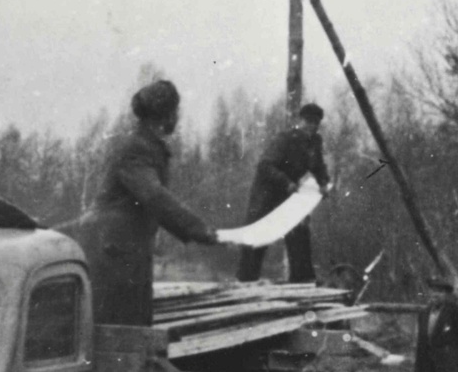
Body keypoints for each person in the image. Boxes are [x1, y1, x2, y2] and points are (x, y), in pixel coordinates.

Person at [62, 79, 219, 325]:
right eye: (175, 111)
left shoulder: (145, 146)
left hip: (124, 247)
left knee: (129, 326)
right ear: (165, 114)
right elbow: (155, 197)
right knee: (118, 329)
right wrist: (200, 230)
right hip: (112, 249)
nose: (177, 117)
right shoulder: (137, 148)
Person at [236, 103, 331, 284]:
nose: (312, 127)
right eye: (308, 122)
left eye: (316, 123)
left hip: (287, 193)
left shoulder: (314, 142)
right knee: (258, 237)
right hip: (267, 192)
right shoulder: (285, 139)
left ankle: (302, 281)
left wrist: (324, 182)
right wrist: (286, 182)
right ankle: (245, 281)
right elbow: (265, 166)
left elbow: (318, 166)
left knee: (299, 230)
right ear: (300, 121)